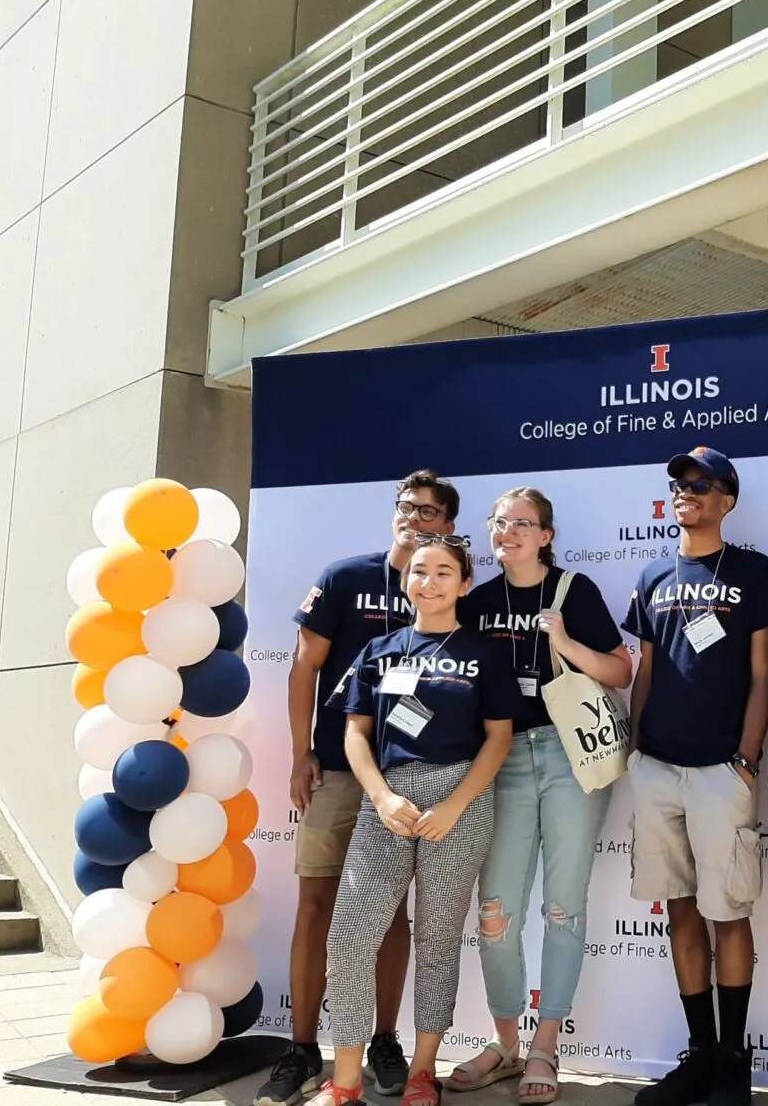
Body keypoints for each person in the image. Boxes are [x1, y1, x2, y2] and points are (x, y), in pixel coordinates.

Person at [258, 469, 461, 1106]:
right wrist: (298, 755)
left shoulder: (446, 591)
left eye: (429, 512)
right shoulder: (346, 576)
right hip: (338, 771)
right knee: (316, 905)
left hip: (409, 780)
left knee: (391, 915)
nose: (415, 518)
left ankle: (383, 1042)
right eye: (407, 506)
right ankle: (300, 1049)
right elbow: (303, 666)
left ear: (448, 527)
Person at [309, 535, 517, 1106]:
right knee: (350, 936)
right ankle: (346, 1079)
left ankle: (423, 1072)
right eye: (420, 571)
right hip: (390, 801)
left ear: (465, 584)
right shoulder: (380, 650)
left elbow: (499, 739)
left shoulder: (485, 652)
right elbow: (354, 733)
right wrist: (380, 798)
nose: (430, 581)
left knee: (437, 939)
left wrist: (453, 806)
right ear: (407, 582)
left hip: (461, 802)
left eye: (444, 571)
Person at [448, 487, 634, 1104]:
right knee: (496, 912)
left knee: (563, 907)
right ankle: (504, 1042)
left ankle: (545, 1045)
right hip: (498, 759)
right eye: (500, 523)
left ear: (547, 536)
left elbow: (621, 671)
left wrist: (567, 646)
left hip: (565, 755)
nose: (509, 532)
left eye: (523, 524)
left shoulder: (572, 590)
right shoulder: (473, 603)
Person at [623, 447, 768, 1106]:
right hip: (657, 769)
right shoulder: (653, 572)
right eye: (679, 483)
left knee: (728, 915)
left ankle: (733, 1066)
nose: (686, 492)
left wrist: (747, 759)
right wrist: (633, 750)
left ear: (728, 499)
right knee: (680, 912)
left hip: (723, 769)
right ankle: (700, 1055)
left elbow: (761, 673)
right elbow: (648, 671)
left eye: (701, 484)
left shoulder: (755, 572)